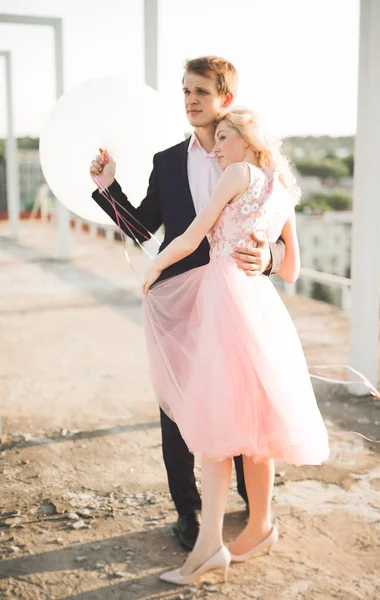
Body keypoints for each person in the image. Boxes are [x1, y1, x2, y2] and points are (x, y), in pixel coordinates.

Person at [89, 56, 286, 551]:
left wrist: (267, 256)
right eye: (184, 91)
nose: (190, 100)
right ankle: (188, 511)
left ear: (226, 99)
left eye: (200, 91)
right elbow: (144, 230)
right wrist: (107, 187)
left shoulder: (250, 157)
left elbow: (279, 234)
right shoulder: (166, 161)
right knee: (176, 404)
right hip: (178, 297)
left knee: (240, 395)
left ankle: (248, 499)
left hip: (233, 295)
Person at [141, 107, 330, 585]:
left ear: (247, 140)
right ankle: (260, 527)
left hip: (225, 301)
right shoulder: (283, 188)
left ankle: (209, 550)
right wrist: (267, 253)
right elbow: (291, 270)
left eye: (224, 137)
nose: (217, 146)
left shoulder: (238, 173)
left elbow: (190, 236)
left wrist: (151, 271)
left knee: (217, 426)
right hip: (259, 307)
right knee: (252, 422)